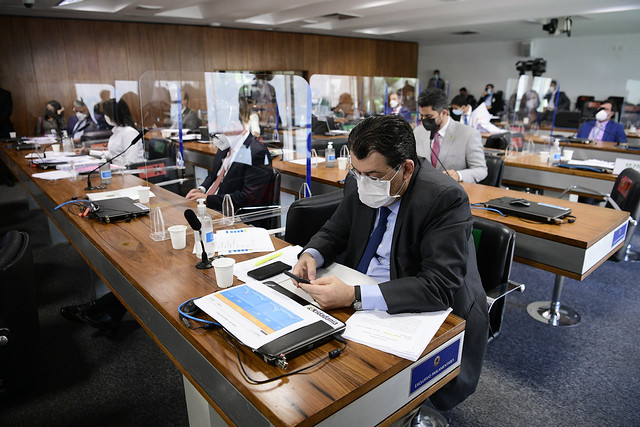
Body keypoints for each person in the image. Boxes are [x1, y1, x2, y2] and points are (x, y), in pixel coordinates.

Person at [291, 114, 488, 412]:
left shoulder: (445, 198)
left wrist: (353, 296)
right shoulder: (360, 178)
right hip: (360, 295)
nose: (362, 182)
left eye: (373, 176)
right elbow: (336, 229)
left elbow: (437, 287)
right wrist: (311, 254)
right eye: (356, 172)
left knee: (362, 385)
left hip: (417, 306)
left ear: (406, 168)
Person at [185, 102, 273, 213]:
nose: (216, 136)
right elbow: (213, 176)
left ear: (233, 125)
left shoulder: (257, 153)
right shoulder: (225, 145)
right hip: (208, 207)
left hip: (230, 213)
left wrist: (208, 199)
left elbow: (248, 197)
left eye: (219, 131)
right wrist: (201, 190)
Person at [414, 88, 487, 183]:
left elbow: (481, 170)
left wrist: (458, 175)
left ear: (444, 113)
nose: (424, 120)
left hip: (453, 189)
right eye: (421, 116)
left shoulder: (469, 134)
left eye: (429, 116)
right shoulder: (418, 132)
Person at [76, 99, 144, 167]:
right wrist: (89, 152)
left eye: (106, 114)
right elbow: (113, 155)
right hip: (118, 170)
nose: (105, 116)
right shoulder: (116, 131)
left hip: (130, 172)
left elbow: (131, 162)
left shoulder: (129, 133)